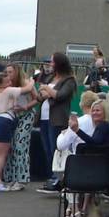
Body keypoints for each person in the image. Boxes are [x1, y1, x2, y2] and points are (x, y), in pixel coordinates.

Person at [0, 71, 35, 191]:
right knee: (1, 156)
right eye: (7, 82)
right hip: (4, 122)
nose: (10, 83)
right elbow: (27, 89)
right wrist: (32, 80)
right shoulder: (8, 91)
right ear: (1, 84)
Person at [36, 53, 77, 193]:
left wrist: (47, 89)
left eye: (52, 61)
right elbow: (40, 96)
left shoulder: (69, 80)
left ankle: (59, 179)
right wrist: (47, 91)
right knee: (47, 149)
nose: (50, 64)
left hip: (57, 118)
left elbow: (60, 96)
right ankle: (51, 177)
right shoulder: (51, 78)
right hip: (44, 117)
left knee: (56, 148)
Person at [1, 63, 39, 191]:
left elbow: (37, 98)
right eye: (6, 72)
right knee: (9, 146)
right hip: (12, 116)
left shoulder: (26, 83)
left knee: (19, 145)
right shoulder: (6, 84)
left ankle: (21, 179)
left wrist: (26, 106)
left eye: (10, 72)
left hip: (26, 115)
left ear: (16, 72)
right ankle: (10, 178)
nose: (8, 74)